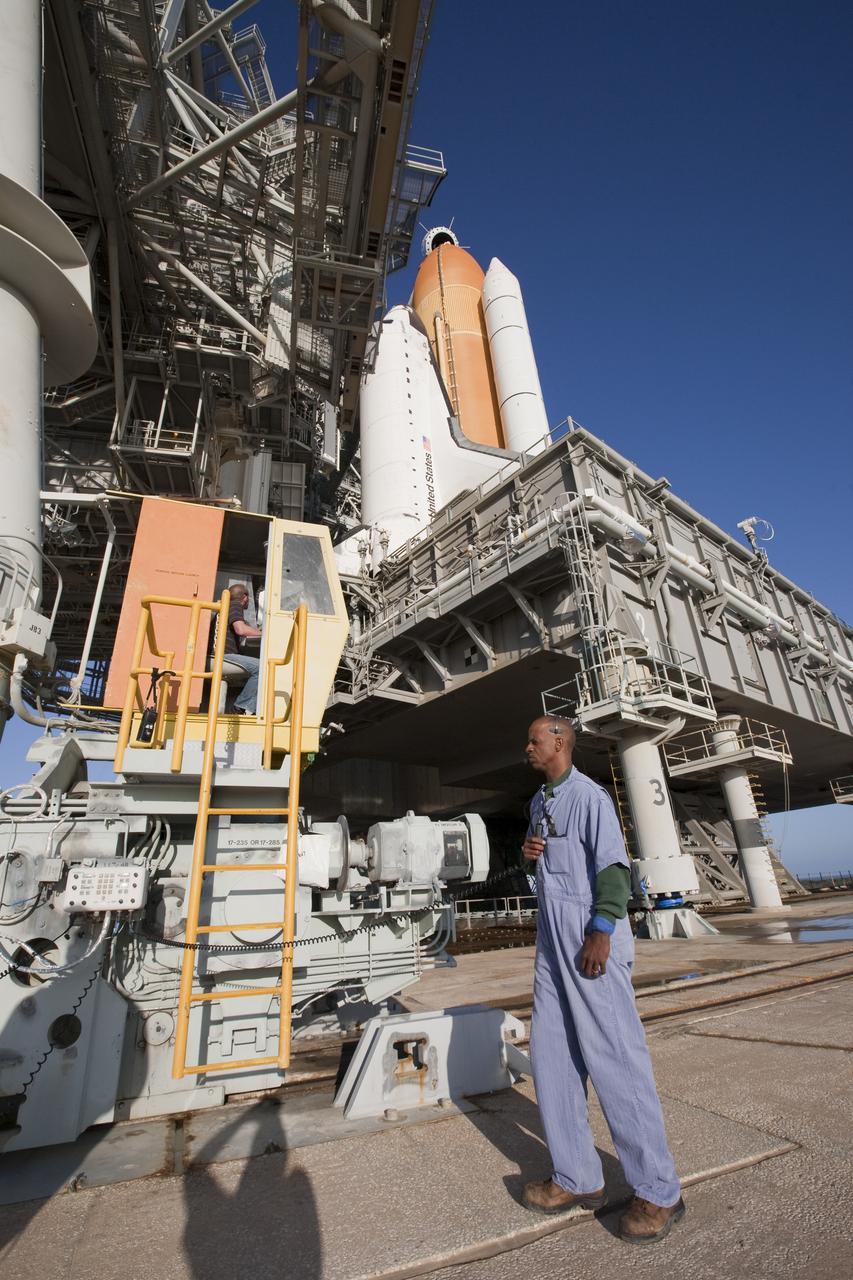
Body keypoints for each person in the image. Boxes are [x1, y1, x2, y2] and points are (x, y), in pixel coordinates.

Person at [520, 715, 685, 1245]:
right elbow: (546, 874)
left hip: (591, 939)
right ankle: (578, 1177)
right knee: (552, 1057)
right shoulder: (537, 804)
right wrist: (529, 857)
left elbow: (612, 870)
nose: (527, 747)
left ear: (560, 742)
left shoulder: (590, 798)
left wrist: (601, 930)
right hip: (551, 945)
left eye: (534, 740)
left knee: (616, 1059)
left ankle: (659, 1191)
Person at [223, 582, 262, 715]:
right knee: (262, 668)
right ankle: (240, 707)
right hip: (223, 656)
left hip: (221, 656)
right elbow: (241, 629)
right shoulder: (234, 605)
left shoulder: (225, 607)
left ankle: (248, 708)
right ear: (244, 597)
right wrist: (266, 633)